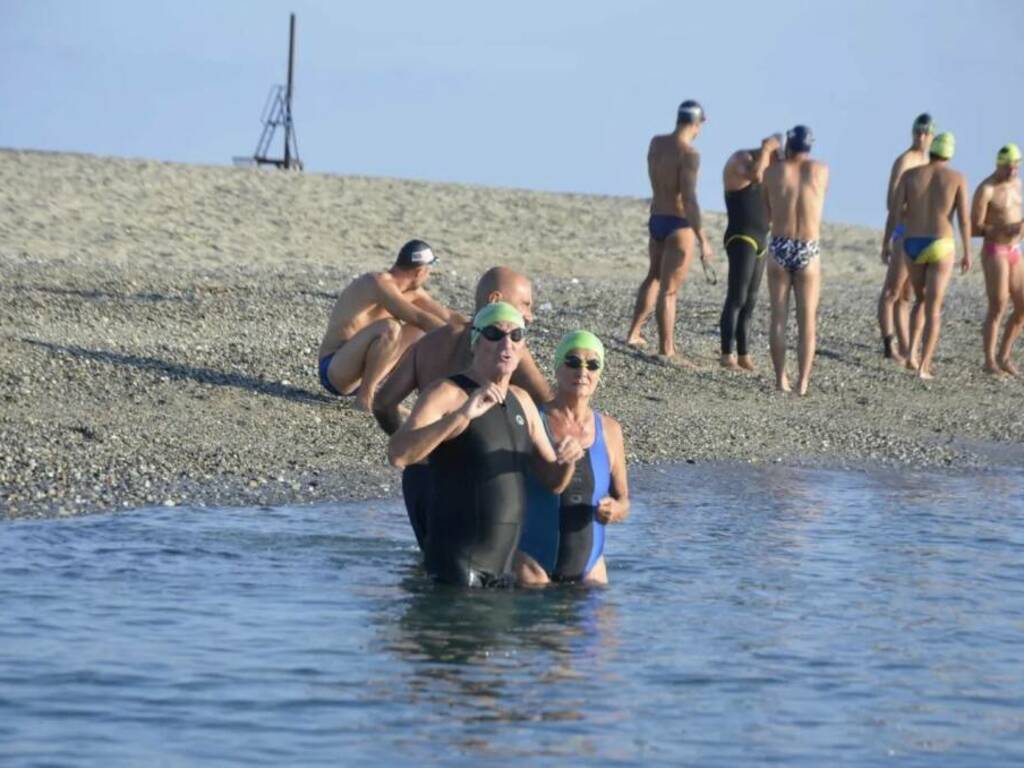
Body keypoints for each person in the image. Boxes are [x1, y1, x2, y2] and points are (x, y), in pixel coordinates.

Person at [387, 303, 582, 588]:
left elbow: (553, 482)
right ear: (475, 343)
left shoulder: (523, 401)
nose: (507, 343)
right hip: (455, 564)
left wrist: (569, 459)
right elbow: (398, 454)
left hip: (501, 570)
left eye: (516, 336)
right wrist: (461, 416)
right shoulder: (448, 393)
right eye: (494, 333)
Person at [373, 266, 554, 549]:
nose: (529, 315)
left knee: (433, 565)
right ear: (495, 300)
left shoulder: (431, 341)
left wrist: (420, 445)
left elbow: (383, 403)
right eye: (525, 304)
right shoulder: (508, 346)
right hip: (471, 482)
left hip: (420, 477)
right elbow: (549, 404)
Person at [516, 331, 629, 586]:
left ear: (600, 373)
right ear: (557, 369)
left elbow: (623, 499)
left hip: (591, 571)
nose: (583, 371)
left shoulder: (610, 430)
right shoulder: (535, 419)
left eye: (593, 364)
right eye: (573, 361)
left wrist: (617, 510)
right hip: (532, 568)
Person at [317, 239, 462, 411]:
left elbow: (448, 316)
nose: (429, 275)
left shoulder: (413, 292)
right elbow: (418, 317)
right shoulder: (377, 283)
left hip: (360, 375)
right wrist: (456, 341)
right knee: (390, 327)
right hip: (335, 370)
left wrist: (482, 327)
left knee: (418, 331)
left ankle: (387, 396)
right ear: (420, 271)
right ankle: (365, 398)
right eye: (429, 270)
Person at [626, 100, 715, 362]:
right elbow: (689, 198)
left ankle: (633, 332)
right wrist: (703, 239)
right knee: (670, 290)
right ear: (697, 124)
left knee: (653, 276)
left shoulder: (656, 143)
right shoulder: (689, 154)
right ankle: (667, 348)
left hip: (657, 218)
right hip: (679, 224)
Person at [889, 132, 972, 379]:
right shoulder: (957, 178)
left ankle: (911, 355)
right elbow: (964, 219)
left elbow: (895, 212)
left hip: (912, 242)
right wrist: (967, 251)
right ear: (949, 153)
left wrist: (886, 241)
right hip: (940, 243)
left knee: (919, 301)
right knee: (933, 308)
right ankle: (925, 364)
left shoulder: (910, 175)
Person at [762, 126, 830, 395]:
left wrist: (777, 156)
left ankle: (781, 379)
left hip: (780, 243)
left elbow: (767, 211)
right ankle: (802, 383)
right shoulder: (821, 170)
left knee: (778, 318)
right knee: (807, 321)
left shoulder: (772, 172)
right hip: (807, 246)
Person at [719, 134, 781, 372]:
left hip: (760, 238)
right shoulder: (741, 159)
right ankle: (727, 353)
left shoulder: (766, 168)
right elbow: (754, 175)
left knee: (751, 300)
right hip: (740, 236)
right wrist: (767, 149)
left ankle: (744, 353)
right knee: (737, 297)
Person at [878, 114, 936, 363]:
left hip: (921, 234)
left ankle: (904, 346)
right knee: (892, 291)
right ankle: (888, 344)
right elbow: (892, 203)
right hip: (904, 232)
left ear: (932, 136)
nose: (920, 137)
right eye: (917, 132)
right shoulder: (905, 161)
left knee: (907, 295)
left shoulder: (928, 161)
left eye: (925, 133)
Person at [972, 143, 1024, 375]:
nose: (1013, 172)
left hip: (1015, 249)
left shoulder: (1017, 184)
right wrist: (1000, 229)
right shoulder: (986, 189)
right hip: (995, 250)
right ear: (998, 165)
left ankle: (1005, 355)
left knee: (1022, 305)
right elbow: (974, 227)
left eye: (1016, 167)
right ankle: (989, 359)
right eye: (1009, 168)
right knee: (999, 304)